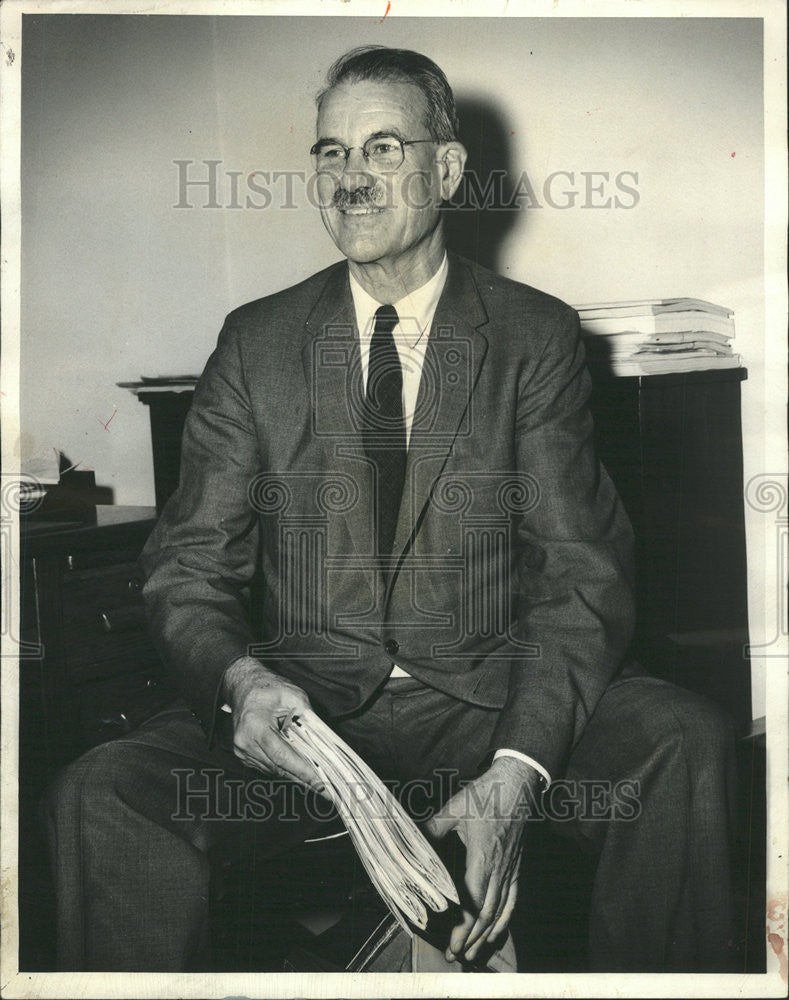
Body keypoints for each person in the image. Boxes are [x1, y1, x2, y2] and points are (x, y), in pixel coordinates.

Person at [43, 45, 738, 973]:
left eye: (380, 148)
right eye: (330, 153)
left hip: (494, 699)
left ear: (444, 169)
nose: (350, 179)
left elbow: (581, 571)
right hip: (311, 719)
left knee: (678, 744)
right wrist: (243, 684)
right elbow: (188, 567)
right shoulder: (256, 344)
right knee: (103, 793)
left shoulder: (530, 336)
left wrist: (518, 771)